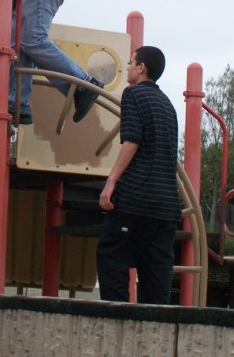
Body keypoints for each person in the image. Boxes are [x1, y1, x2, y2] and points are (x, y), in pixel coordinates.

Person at [96, 46, 180, 304]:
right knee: (155, 275)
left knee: (111, 256)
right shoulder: (168, 104)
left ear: (142, 67)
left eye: (131, 62)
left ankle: (117, 318)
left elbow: (131, 141)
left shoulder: (133, 94)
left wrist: (111, 182)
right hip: (166, 205)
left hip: (136, 197)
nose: (128, 67)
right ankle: (155, 327)